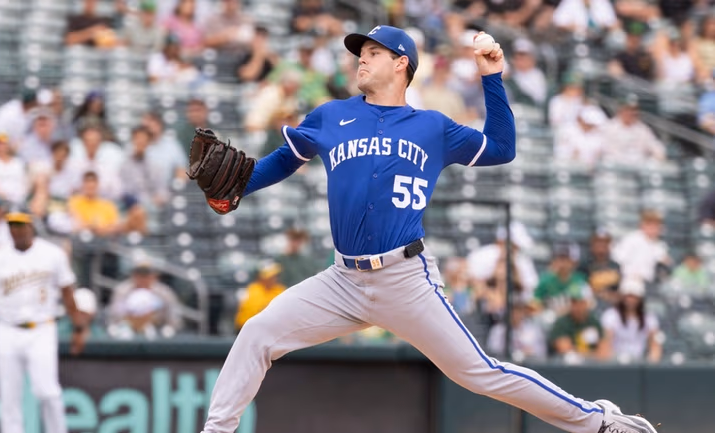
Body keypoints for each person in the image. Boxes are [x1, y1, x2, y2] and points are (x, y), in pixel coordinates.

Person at [197, 25, 658, 433]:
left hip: (405, 279)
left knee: (479, 372)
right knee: (257, 333)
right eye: (361, 52)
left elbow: (502, 147)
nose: (362, 57)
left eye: (374, 52)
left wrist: (491, 78)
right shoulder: (330, 116)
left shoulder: (432, 127)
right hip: (341, 280)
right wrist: (237, 188)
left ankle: (599, 422)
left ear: (402, 64)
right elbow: (283, 161)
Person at [0, 208, 88, 433]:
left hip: (41, 328)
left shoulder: (52, 254)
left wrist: (78, 327)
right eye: (12, 225)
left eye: (20, 224)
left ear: (32, 226)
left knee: (47, 390)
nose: (16, 230)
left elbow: (68, 291)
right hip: (7, 329)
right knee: (9, 395)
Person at [108, 262, 183, 334]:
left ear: (154, 276)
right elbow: (115, 317)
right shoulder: (122, 291)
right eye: (139, 274)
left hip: (158, 330)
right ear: (133, 275)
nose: (142, 278)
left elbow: (175, 320)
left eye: (146, 274)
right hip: (127, 329)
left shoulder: (164, 293)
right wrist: (136, 317)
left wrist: (153, 318)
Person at [600, 279, 662, 363]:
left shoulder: (649, 318)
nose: (630, 300)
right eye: (628, 296)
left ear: (640, 298)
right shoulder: (610, 316)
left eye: (634, 296)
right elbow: (606, 343)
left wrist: (652, 363)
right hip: (616, 362)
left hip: (640, 363)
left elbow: (655, 345)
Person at [548, 291, 610, 363]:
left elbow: (604, 349)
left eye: (581, 303)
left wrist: (593, 355)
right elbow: (565, 349)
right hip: (566, 366)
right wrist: (593, 354)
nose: (578, 307)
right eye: (574, 303)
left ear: (587, 304)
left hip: (592, 365)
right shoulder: (562, 322)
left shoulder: (593, 321)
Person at [612, 210, 671, 284]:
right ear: (642, 225)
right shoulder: (631, 239)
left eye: (657, 225)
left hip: (649, 284)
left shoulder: (661, 246)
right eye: (650, 224)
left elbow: (665, 263)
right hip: (628, 280)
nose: (654, 229)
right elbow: (618, 258)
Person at [234, 262, 286, 331]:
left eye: (276, 276)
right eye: (271, 276)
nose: (274, 279)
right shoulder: (252, 289)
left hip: (272, 329)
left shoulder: (280, 290)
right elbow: (248, 313)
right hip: (247, 329)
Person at [578, 230, 623, 301]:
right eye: (598, 242)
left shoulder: (615, 266)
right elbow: (580, 288)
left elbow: (619, 290)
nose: (601, 245)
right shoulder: (584, 266)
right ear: (592, 245)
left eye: (605, 243)